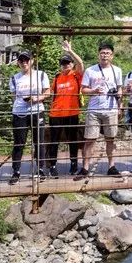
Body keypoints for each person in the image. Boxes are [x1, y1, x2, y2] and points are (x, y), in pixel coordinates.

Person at [75, 43, 123, 179]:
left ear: (112, 56)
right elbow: (83, 89)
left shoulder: (117, 71)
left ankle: (111, 166)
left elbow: (120, 89)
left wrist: (120, 105)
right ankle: (85, 168)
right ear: (98, 55)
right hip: (94, 109)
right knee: (90, 139)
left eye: (107, 53)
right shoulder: (90, 71)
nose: (105, 55)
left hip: (111, 109)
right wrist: (93, 91)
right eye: (102, 53)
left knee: (111, 139)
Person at [8, 51, 50, 184]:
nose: (24, 62)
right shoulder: (14, 78)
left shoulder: (41, 75)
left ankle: (40, 170)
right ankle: (16, 171)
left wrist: (37, 99)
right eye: (21, 60)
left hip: (37, 111)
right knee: (19, 143)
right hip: (19, 112)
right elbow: (13, 96)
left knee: (39, 142)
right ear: (18, 63)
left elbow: (47, 92)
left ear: (32, 60)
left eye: (27, 60)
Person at [47, 40, 85, 177]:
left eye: (68, 63)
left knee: (72, 140)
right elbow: (53, 95)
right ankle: (52, 166)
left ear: (72, 64)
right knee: (54, 141)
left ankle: (74, 164)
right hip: (56, 114)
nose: (66, 65)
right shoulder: (57, 78)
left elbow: (81, 64)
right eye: (63, 63)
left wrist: (70, 51)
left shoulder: (76, 75)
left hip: (72, 113)